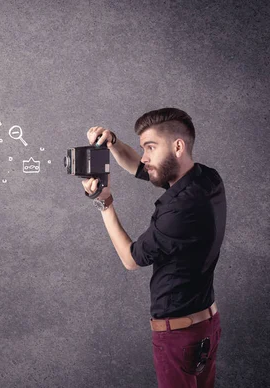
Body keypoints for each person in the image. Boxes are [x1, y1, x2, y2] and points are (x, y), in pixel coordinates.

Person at [81, 108, 226, 387]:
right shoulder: (207, 179)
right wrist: (112, 143)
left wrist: (104, 201)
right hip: (206, 324)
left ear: (178, 146)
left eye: (150, 147)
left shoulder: (177, 211)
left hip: (178, 337)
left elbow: (131, 258)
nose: (145, 156)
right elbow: (143, 168)